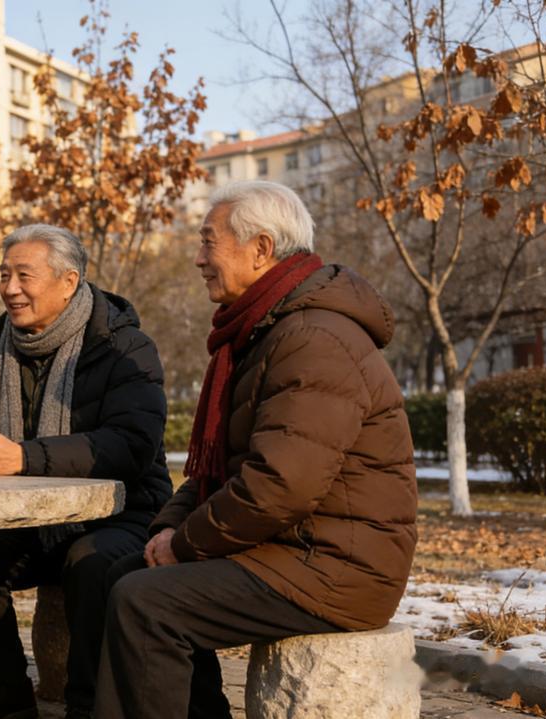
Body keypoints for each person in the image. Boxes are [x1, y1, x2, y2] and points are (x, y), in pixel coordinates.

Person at [94, 181, 418, 719]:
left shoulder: (313, 337)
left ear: (261, 248)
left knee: (146, 602)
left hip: (337, 566)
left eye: (208, 242)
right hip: (292, 545)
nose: (199, 258)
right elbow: (219, 470)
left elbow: (280, 486)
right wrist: (165, 532)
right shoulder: (263, 331)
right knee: (124, 573)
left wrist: (185, 545)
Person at [0, 224, 172, 719]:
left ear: (68, 282)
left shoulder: (123, 346)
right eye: (4, 275)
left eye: (24, 275)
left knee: (90, 562)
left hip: (124, 514)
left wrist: (22, 457)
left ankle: (86, 704)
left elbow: (130, 446)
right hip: (33, 519)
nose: (10, 288)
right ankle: (8, 693)